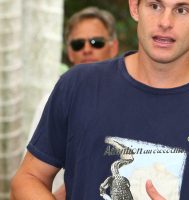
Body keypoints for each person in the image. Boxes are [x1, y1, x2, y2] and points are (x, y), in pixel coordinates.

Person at [11, 0, 189, 200]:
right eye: (154, 5)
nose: (165, 21)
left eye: (182, 9)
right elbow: (28, 178)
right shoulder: (78, 85)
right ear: (134, 7)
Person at [22, 6, 119, 200]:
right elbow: (28, 177)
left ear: (113, 47)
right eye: (78, 44)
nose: (87, 49)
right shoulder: (52, 99)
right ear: (70, 52)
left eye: (96, 42)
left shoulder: (130, 98)